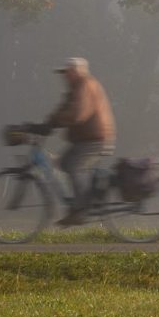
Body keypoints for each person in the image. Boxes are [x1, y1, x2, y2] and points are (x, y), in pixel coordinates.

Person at [44, 57, 116, 226]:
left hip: (96, 138)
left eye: (67, 72)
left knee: (75, 167)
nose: (64, 76)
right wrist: (46, 124)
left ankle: (82, 209)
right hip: (84, 139)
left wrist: (55, 122)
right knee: (63, 162)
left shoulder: (85, 85)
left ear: (76, 71)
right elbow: (63, 109)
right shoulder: (75, 88)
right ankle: (82, 202)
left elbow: (78, 113)